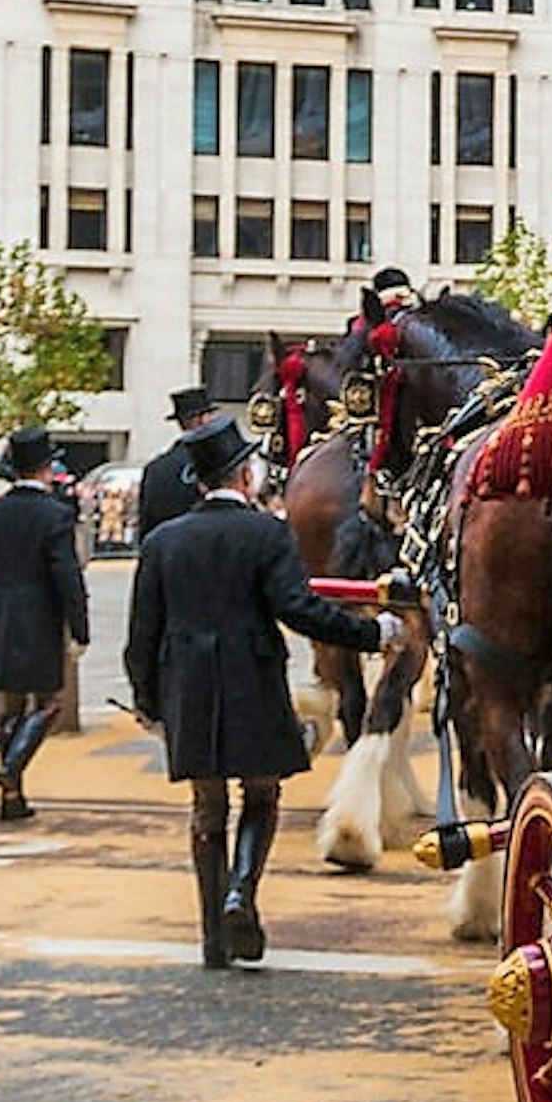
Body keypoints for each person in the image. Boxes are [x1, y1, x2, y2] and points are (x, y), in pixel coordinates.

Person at [124, 411, 398, 968]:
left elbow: (141, 635)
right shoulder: (266, 533)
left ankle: (212, 940)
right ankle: (240, 892)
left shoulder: (162, 542)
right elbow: (300, 611)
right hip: (250, 675)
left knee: (207, 809)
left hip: (189, 684)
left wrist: (148, 699)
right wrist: (373, 632)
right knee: (262, 793)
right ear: (243, 476)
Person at [0, 428, 90, 822]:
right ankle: (12, 768)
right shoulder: (56, 515)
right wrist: (79, 628)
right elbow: (67, 576)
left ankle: (12, 797)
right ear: (46, 469)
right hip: (39, 616)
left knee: (10, 707)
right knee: (48, 702)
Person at [133, 386, 214, 543]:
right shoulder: (215, 463)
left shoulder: (156, 469)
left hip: (167, 554)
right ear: (202, 419)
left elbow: (147, 525)